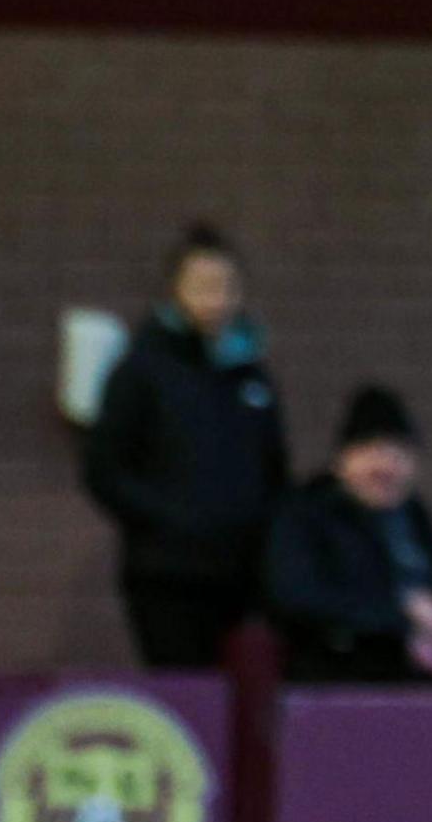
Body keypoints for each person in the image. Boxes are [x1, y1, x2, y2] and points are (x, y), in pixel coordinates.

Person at [81, 221, 288, 668]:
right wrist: (169, 520)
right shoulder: (141, 371)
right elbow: (103, 470)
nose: (217, 299)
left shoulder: (252, 378)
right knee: (187, 694)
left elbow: (275, 471)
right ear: (176, 290)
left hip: (240, 577)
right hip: (167, 576)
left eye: (227, 286)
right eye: (203, 286)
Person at [264, 385, 432, 682]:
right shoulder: (307, 521)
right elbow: (299, 599)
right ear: (342, 461)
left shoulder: (422, 531)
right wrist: (403, 619)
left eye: (399, 453)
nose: (386, 465)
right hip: (346, 672)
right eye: (372, 450)